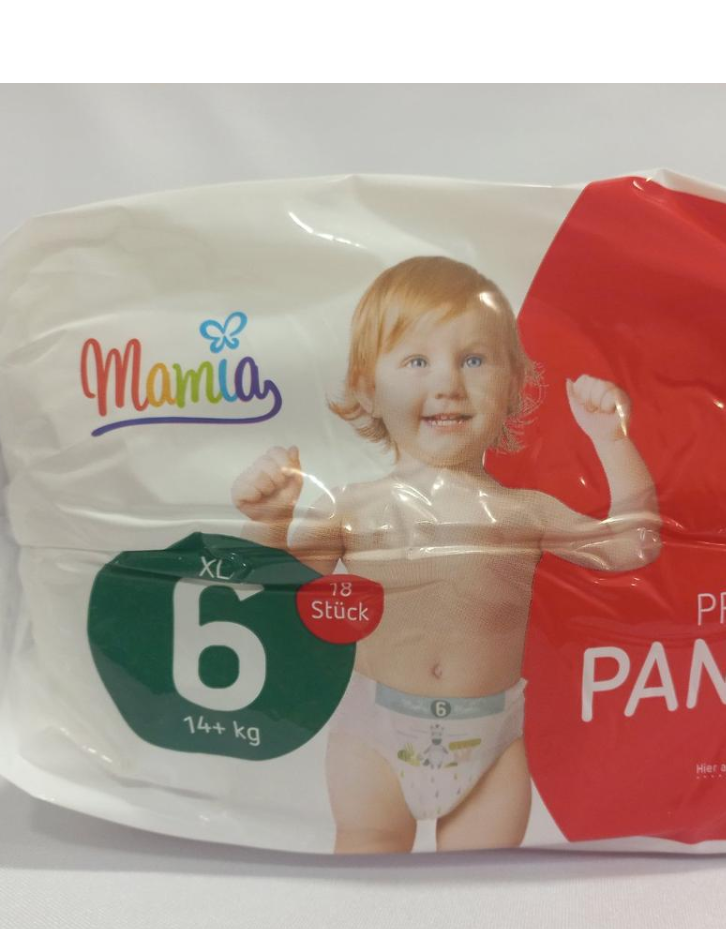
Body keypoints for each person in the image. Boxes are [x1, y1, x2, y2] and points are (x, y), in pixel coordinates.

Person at [232, 256, 661, 853]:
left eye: (474, 359)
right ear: (367, 390)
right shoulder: (353, 508)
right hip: (374, 738)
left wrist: (610, 439)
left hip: (491, 743)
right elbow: (271, 602)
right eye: (417, 361)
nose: (448, 384)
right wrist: (272, 525)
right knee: (366, 880)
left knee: (481, 892)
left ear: (513, 386)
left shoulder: (524, 512)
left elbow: (632, 546)